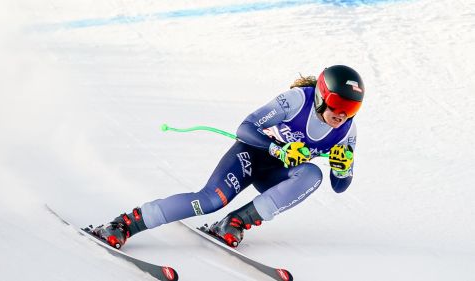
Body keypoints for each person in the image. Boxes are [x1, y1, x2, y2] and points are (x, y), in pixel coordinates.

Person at [92, 65, 365, 249]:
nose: (342, 114)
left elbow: (340, 187)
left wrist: (343, 168)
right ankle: (124, 224)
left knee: (312, 175)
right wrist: (277, 149)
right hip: (251, 155)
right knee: (209, 201)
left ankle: (235, 223)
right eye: (338, 104)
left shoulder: (347, 130)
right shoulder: (296, 101)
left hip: (275, 175)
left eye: (351, 108)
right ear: (321, 95)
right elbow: (245, 128)